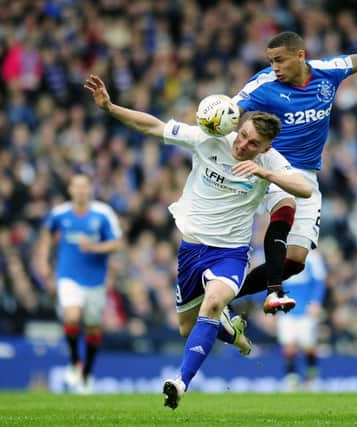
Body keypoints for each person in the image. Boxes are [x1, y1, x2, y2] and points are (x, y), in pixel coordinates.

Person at [83, 74, 312, 409]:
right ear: (239, 125)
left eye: (252, 144)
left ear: (265, 148)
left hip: (230, 254)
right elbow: (153, 127)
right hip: (191, 250)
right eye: (243, 136)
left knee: (214, 302)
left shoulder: (269, 162)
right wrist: (110, 106)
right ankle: (232, 333)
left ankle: (180, 383)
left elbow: (304, 189)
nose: (242, 145)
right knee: (186, 328)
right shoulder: (210, 138)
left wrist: (266, 173)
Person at [232, 31, 357, 312]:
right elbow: (231, 108)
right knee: (284, 207)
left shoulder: (327, 73)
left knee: (296, 262)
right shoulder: (264, 84)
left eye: (280, 60)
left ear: (300, 56)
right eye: (271, 61)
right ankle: (274, 292)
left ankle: (229, 296)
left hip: (307, 175)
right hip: (273, 164)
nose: (274, 67)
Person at [36, 173, 123, 394]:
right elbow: (46, 234)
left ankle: (87, 374)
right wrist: (44, 260)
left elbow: (116, 244)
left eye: (85, 186)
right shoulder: (60, 213)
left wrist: (94, 248)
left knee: (93, 327)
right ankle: (75, 362)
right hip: (68, 275)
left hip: (95, 280)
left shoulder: (103, 214)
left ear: (90, 189)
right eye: (77, 186)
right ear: (70, 190)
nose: (81, 190)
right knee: (72, 316)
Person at [276, 250, 326, 391]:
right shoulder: (281, 254)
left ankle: (312, 378)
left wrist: (316, 302)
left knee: (309, 346)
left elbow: (319, 282)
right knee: (288, 346)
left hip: (306, 308)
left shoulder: (313, 257)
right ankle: (291, 379)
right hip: (286, 308)